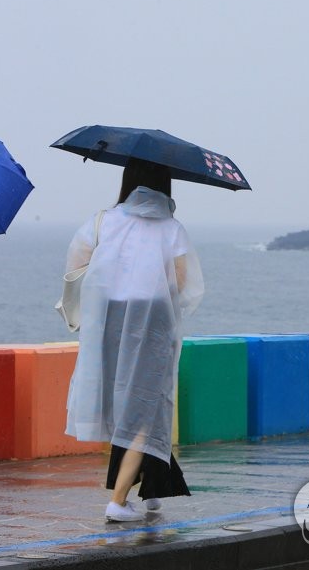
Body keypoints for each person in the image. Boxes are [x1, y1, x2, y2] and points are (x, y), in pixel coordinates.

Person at [64, 158, 205, 522]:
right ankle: (118, 500)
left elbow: (77, 262)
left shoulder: (105, 221)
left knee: (126, 403)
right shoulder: (171, 228)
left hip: (109, 321)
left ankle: (155, 484)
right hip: (153, 325)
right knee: (145, 409)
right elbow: (183, 281)